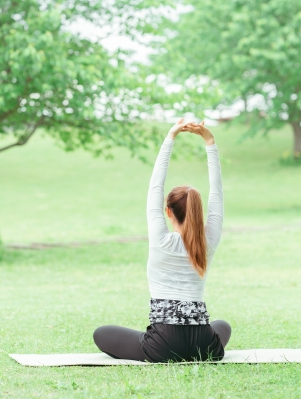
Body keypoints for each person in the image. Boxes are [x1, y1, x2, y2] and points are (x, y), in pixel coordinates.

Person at [93, 119, 231, 363]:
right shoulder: (209, 240)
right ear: (200, 212)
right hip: (203, 344)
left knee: (101, 334)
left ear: (168, 212)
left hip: (163, 344)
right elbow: (217, 191)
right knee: (222, 326)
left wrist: (171, 137)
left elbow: (155, 186)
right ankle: (200, 348)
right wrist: (210, 141)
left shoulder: (161, 240)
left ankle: (168, 345)